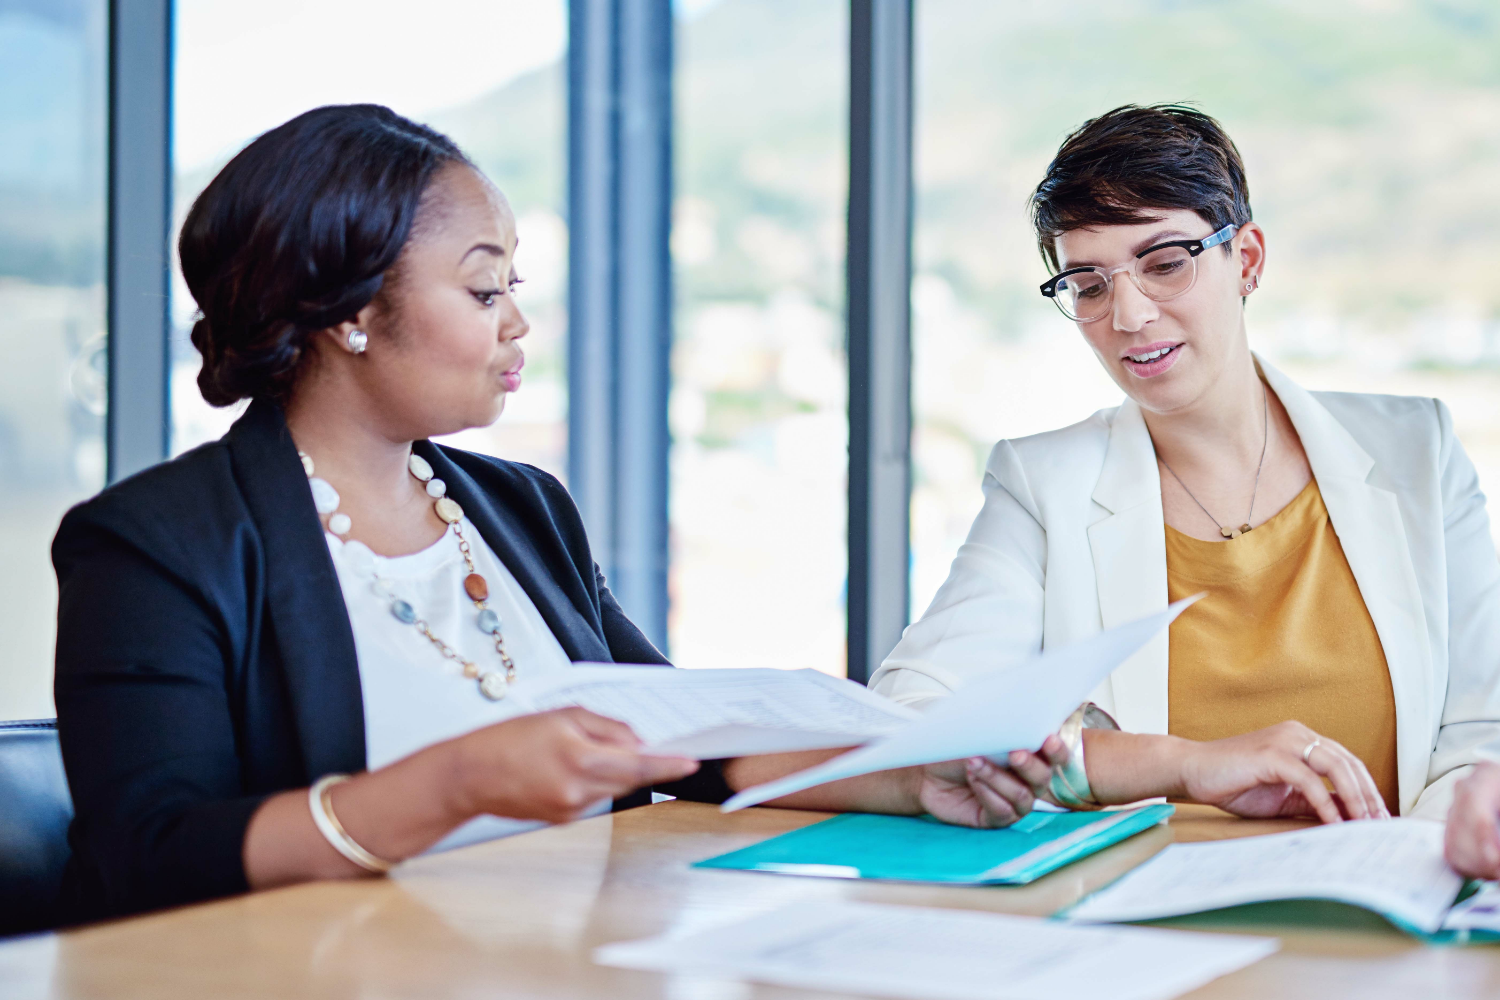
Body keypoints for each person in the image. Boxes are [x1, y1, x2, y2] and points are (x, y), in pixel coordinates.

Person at [52, 104, 1389, 924]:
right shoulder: (162, 544)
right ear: (350, 311)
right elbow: (151, 857)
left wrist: (911, 777)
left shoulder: (515, 510)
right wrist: (446, 786)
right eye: (483, 288)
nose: (521, 326)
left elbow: (692, 749)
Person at [872, 104, 1500, 821]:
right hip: (1149, 918)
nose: (1130, 315)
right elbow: (910, 719)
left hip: (1384, 907)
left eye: (1166, 264)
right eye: (1089, 284)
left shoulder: (1416, 450)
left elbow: (1483, 738)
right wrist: (1170, 764)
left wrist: (1420, 866)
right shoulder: (1043, 486)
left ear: (1249, 261)